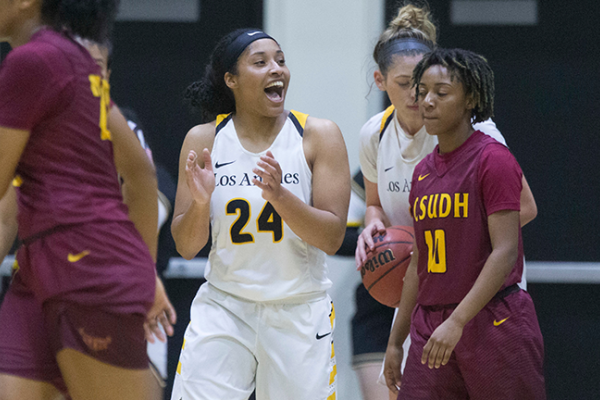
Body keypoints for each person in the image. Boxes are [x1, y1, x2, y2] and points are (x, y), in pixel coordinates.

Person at [352, 3, 538, 400]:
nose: (420, 97)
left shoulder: (480, 140)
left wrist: (451, 247)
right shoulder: (382, 140)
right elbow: (382, 212)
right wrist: (374, 226)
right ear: (381, 81)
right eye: (408, 84)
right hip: (422, 297)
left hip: (488, 300)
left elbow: (524, 211)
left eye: (432, 87)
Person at [0, 1, 174, 399]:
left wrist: (140, 275)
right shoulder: (75, 59)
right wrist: (143, 270)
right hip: (41, 265)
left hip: (87, 265)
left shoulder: (33, 61)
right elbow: (141, 176)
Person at [170, 28, 350, 400]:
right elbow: (187, 247)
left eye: (281, 60)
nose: (277, 69)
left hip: (298, 310)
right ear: (231, 80)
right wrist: (201, 204)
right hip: (225, 306)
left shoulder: (318, 135)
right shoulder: (204, 140)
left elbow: (332, 238)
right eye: (261, 62)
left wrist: (280, 196)